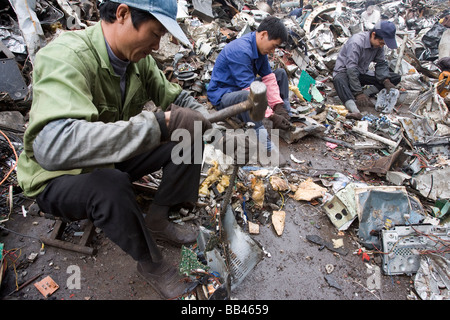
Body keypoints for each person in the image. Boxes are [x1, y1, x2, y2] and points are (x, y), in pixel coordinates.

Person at [16, 0, 214, 299]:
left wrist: (203, 118)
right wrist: (158, 125)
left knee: (189, 137)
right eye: (155, 33)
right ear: (122, 14)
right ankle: (151, 265)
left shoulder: (138, 61)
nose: (158, 45)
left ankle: (159, 219)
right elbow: (52, 148)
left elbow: (176, 97)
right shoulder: (66, 56)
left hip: (106, 158)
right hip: (56, 176)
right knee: (110, 185)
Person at [207, 16, 290, 164]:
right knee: (247, 97)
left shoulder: (260, 49)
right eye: (273, 46)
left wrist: (278, 107)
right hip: (224, 95)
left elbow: (268, 78)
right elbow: (250, 92)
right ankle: (267, 147)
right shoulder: (240, 50)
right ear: (263, 34)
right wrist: (271, 116)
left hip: (244, 89)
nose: (273, 51)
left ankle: (286, 123)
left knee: (280, 75)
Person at [332, 20, 401, 116]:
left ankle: (367, 93)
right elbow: (351, 69)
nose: (381, 46)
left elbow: (381, 64)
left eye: (383, 44)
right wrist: (358, 92)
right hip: (345, 73)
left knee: (395, 77)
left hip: (361, 73)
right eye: (381, 43)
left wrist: (386, 80)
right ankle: (354, 111)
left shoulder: (379, 46)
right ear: (373, 35)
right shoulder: (356, 42)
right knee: (338, 80)